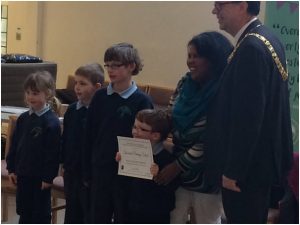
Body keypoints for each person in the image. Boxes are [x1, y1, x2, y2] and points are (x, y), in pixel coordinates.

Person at [206, 1, 294, 223]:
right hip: (259, 165)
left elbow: (248, 117)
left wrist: (233, 171)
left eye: (220, 4)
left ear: (241, 5)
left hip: (245, 172)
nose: (214, 10)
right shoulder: (267, 38)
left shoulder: (251, 48)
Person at [155, 31, 233, 223]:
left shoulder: (224, 92)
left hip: (207, 178)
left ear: (213, 59)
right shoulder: (184, 83)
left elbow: (212, 140)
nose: (190, 61)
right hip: (178, 175)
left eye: (196, 56)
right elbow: (170, 116)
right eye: (189, 56)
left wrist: (177, 166)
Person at [82, 43, 153, 223]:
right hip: (101, 168)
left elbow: (145, 140)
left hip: (127, 171)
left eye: (116, 65)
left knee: (124, 216)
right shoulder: (100, 96)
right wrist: (87, 168)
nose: (110, 70)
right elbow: (90, 133)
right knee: (98, 216)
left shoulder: (142, 100)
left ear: (131, 66)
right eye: (107, 65)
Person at [6, 71, 61, 223]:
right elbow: (15, 144)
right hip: (23, 175)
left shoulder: (51, 122)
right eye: (28, 93)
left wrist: (48, 177)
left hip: (40, 179)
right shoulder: (24, 119)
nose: (30, 97)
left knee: (39, 214)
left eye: (35, 93)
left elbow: (53, 153)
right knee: (24, 211)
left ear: (48, 94)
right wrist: (11, 169)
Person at [115, 109, 179, 224]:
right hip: (129, 209)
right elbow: (122, 185)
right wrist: (120, 164)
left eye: (142, 129)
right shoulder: (128, 151)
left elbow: (171, 190)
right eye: (134, 127)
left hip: (153, 214)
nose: (135, 131)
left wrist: (158, 176)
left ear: (155, 136)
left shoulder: (167, 159)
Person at [61, 63, 104, 223]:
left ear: (97, 87)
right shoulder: (72, 110)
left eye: (83, 83)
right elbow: (66, 139)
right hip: (71, 171)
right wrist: (64, 164)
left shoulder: (100, 112)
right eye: (76, 83)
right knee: (71, 212)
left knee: (88, 213)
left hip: (90, 174)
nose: (77, 87)